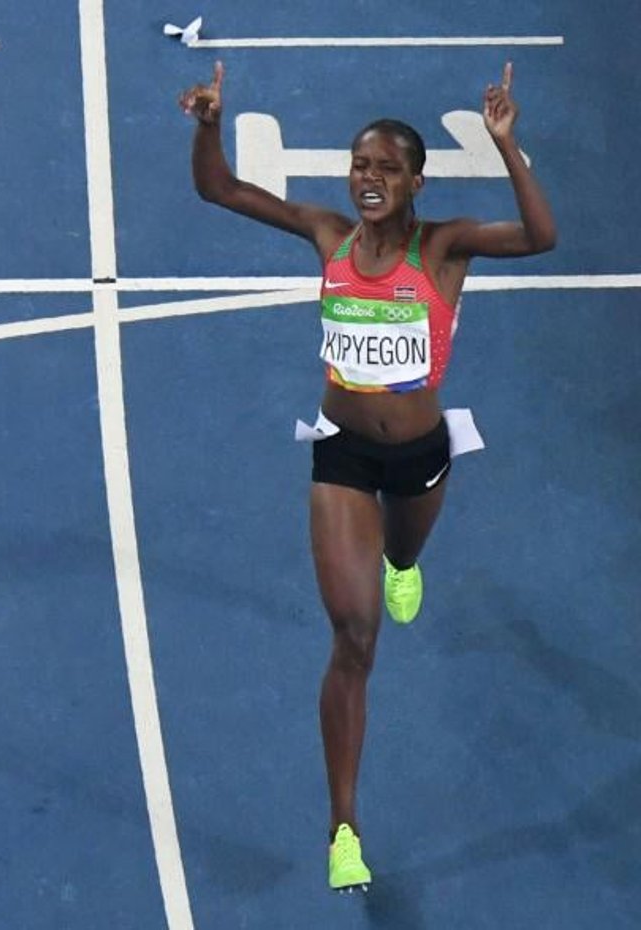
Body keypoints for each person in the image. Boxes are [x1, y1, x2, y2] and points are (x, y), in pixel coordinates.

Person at [178, 60, 556, 891]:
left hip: (420, 456)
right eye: (359, 165)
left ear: (416, 180)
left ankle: (402, 563)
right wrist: (208, 125)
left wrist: (505, 144)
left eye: (386, 167)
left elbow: (540, 238)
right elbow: (222, 193)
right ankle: (343, 826)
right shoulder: (326, 235)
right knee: (353, 638)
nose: (368, 178)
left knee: (404, 554)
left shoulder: (444, 246)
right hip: (342, 454)